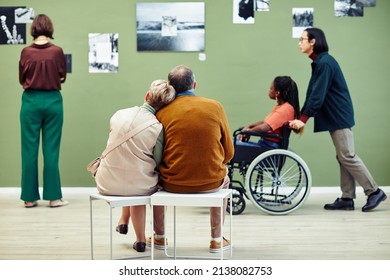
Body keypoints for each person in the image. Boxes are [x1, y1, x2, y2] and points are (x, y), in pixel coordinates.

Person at [289, 27, 387, 212]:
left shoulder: (325, 63)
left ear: (313, 42)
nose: (299, 43)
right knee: (343, 156)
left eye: (302, 39)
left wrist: (304, 118)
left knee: (347, 155)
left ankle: (374, 192)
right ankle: (347, 198)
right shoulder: (320, 62)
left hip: (339, 115)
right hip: (335, 115)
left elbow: (317, 94)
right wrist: (302, 117)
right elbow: (313, 91)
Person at [148, 65, 234, 253]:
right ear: (194, 84)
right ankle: (217, 240)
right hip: (211, 182)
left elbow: (157, 153)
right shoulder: (215, 106)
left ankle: (160, 238)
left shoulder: (162, 112)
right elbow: (229, 152)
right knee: (225, 179)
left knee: (156, 181)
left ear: (170, 87)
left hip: (172, 183)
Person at [95, 80, 175, 252]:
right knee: (136, 183)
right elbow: (158, 159)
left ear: (147, 96)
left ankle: (124, 221)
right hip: (138, 185)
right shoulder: (157, 127)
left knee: (128, 170)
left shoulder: (119, 114)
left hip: (107, 182)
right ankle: (140, 240)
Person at [19, 14, 68, 208]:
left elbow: (22, 78)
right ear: (50, 28)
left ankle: (29, 199)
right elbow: (62, 77)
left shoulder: (26, 52)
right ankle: (54, 198)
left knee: (29, 151)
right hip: (53, 101)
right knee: (51, 151)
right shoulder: (57, 51)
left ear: (33, 29)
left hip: (30, 101)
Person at [238, 76, 302, 149]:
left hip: (269, 146)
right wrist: (248, 128)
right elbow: (264, 122)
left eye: (271, 88)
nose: (269, 90)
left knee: (234, 147)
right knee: (233, 142)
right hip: (266, 143)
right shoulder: (282, 107)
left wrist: (248, 132)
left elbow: (264, 127)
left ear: (277, 93)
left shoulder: (286, 109)